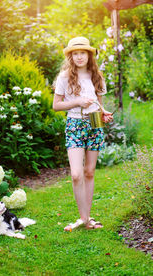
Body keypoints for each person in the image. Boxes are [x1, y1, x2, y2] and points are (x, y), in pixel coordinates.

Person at [53, 37, 113, 231]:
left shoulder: (97, 76)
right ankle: (84, 218)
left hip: (94, 124)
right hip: (75, 124)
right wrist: (77, 101)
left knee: (89, 172)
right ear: (71, 56)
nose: (79, 57)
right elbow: (56, 105)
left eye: (83, 53)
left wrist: (104, 113)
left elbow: (99, 102)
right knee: (77, 174)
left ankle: (86, 220)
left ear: (89, 55)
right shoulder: (64, 77)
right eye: (75, 53)